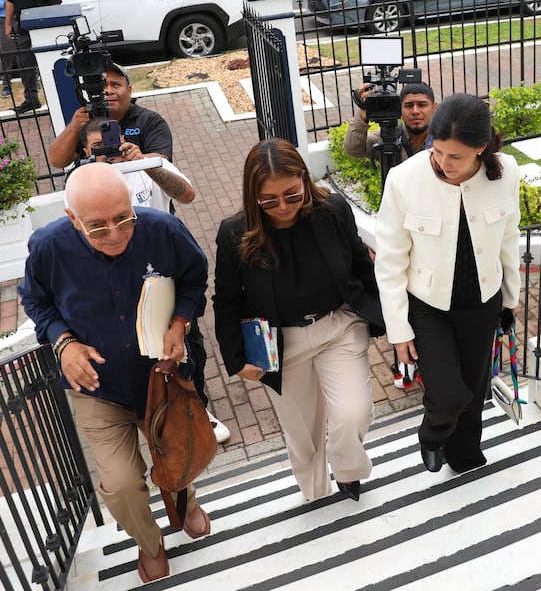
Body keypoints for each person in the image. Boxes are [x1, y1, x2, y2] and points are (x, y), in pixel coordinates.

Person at [19, 162, 212, 584]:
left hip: (160, 378)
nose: (115, 233)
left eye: (124, 218)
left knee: (177, 453)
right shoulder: (49, 247)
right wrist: (64, 343)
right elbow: (35, 301)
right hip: (97, 388)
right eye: (97, 226)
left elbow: (195, 279)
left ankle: (185, 503)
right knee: (122, 484)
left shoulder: (163, 230)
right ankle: (149, 542)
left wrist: (180, 323)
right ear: (73, 219)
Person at [213, 139, 384, 501]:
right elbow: (226, 300)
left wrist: (383, 316)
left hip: (338, 326)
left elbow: (360, 263)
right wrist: (236, 357)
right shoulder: (235, 233)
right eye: (269, 200)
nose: (283, 206)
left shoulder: (333, 209)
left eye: (292, 194)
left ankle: (348, 470)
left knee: (353, 413)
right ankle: (316, 495)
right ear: (253, 196)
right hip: (280, 343)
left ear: (305, 180)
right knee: (303, 433)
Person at [374, 94, 521, 474]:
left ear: (481, 147)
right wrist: (398, 331)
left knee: (473, 388)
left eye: (455, 156)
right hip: (428, 305)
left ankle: (465, 457)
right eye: (437, 151)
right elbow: (390, 261)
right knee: (448, 394)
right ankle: (432, 434)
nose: (443, 163)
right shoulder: (404, 179)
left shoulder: (507, 171)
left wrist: (510, 299)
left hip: (483, 300)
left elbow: (509, 237)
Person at [75, 117, 233, 444]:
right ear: (86, 153)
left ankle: (198, 409)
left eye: (112, 142)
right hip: (117, 287)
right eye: (98, 148)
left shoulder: (147, 164)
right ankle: (152, 414)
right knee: (137, 353)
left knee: (188, 348)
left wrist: (146, 165)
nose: (108, 151)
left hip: (165, 281)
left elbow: (186, 195)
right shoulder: (82, 183)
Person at [48, 63, 173, 169]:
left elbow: (162, 160)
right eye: (102, 86)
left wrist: (137, 159)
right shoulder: (86, 123)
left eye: (115, 85)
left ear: (129, 90)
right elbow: (57, 162)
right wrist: (73, 128)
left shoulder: (149, 120)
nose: (108, 91)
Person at [4, 0, 62, 115]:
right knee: (25, 68)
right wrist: (8, 24)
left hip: (43, 31)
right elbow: (10, 2)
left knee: (49, 67)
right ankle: (31, 100)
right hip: (23, 30)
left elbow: (56, 6)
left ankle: (58, 99)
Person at [343, 81, 437, 164]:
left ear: (434, 108)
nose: (415, 111)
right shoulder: (388, 137)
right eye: (409, 105)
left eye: (422, 105)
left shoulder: (443, 138)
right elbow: (353, 149)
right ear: (399, 109)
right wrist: (362, 114)